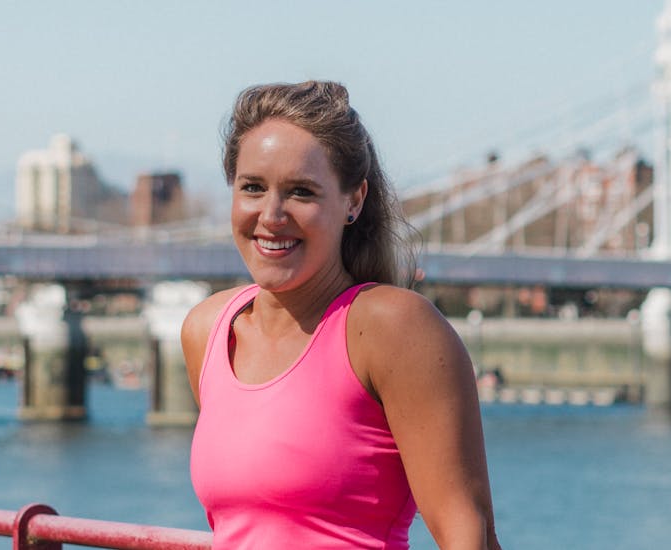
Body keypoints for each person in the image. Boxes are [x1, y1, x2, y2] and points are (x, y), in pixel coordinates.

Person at [183, 81, 500, 549]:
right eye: (253, 187)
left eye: (301, 192)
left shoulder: (392, 328)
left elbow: (465, 533)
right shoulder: (206, 330)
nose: (271, 215)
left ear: (353, 201)